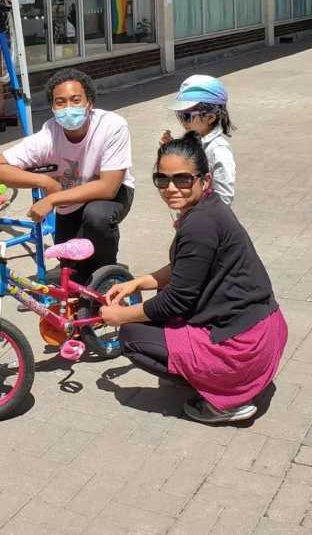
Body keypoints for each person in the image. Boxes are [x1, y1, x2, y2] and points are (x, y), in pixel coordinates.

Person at [99, 132, 287, 424]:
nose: (171, 188)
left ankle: (224, 401)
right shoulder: (208, 208)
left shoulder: (199, 223)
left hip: (243, 348)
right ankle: (214, 379)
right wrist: (139, 281)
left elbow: (176, 302)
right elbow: (187, 269)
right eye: (162, 180)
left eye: (182, 179)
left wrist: (120, 316)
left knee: (131, 336)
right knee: (155, 308)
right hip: (260, 330)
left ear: (205, 180)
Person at [0, 68, 134, 283]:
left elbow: (108, 187)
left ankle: (107, 276)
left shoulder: (112, 126)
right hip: (69, 199)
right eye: (60, 102)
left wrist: (52, 198)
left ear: (89, 103)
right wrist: (43, 181)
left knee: (96, 217)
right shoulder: (48, 136)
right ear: (53, 107)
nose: (68, 108)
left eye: (75, 100)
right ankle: (85, 277)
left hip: (112, 194)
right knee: (70, 271)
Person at [161, 74, 236, 206]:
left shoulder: (218, 150)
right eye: (179, 115)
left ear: (210, 117)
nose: (183, 122)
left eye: (186, 116)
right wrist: (173, 150)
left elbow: (224, 197)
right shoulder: (194, 140)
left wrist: (202, 218)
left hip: (207, 219)